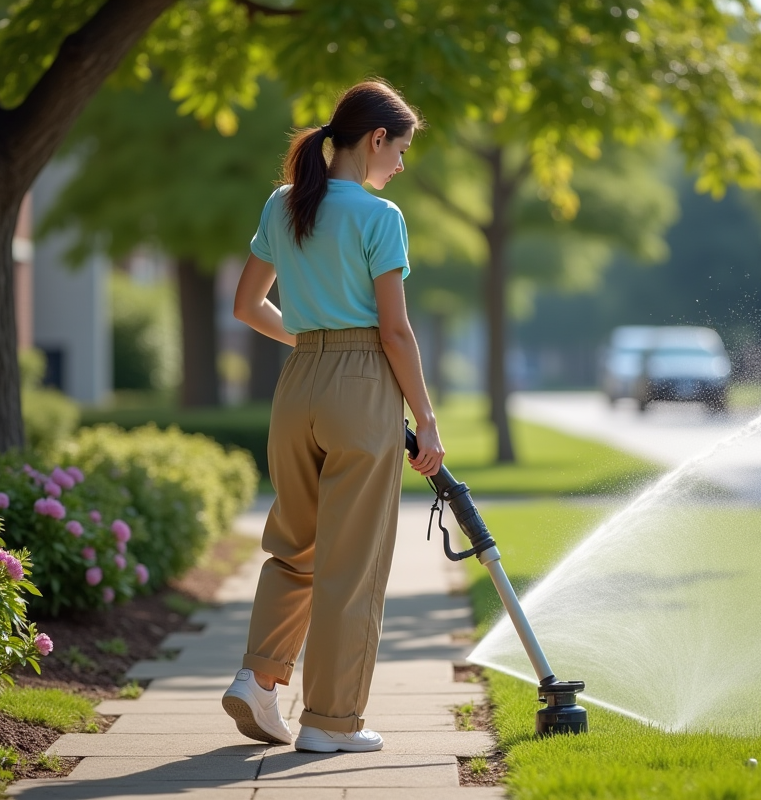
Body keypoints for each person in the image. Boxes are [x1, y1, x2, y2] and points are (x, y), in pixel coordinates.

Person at [223, 80, 444, 754]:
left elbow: (245, 306)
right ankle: (329, 721)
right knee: (353, 561)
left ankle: (259, 679)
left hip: (299, 384)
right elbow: (395, 333)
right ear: (375, 139)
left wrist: (312, 340)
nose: (400, 164)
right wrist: (426, 419)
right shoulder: (381, 216)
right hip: (362, 387)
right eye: (400, 150)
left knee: (294, 544)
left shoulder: (283, 203)